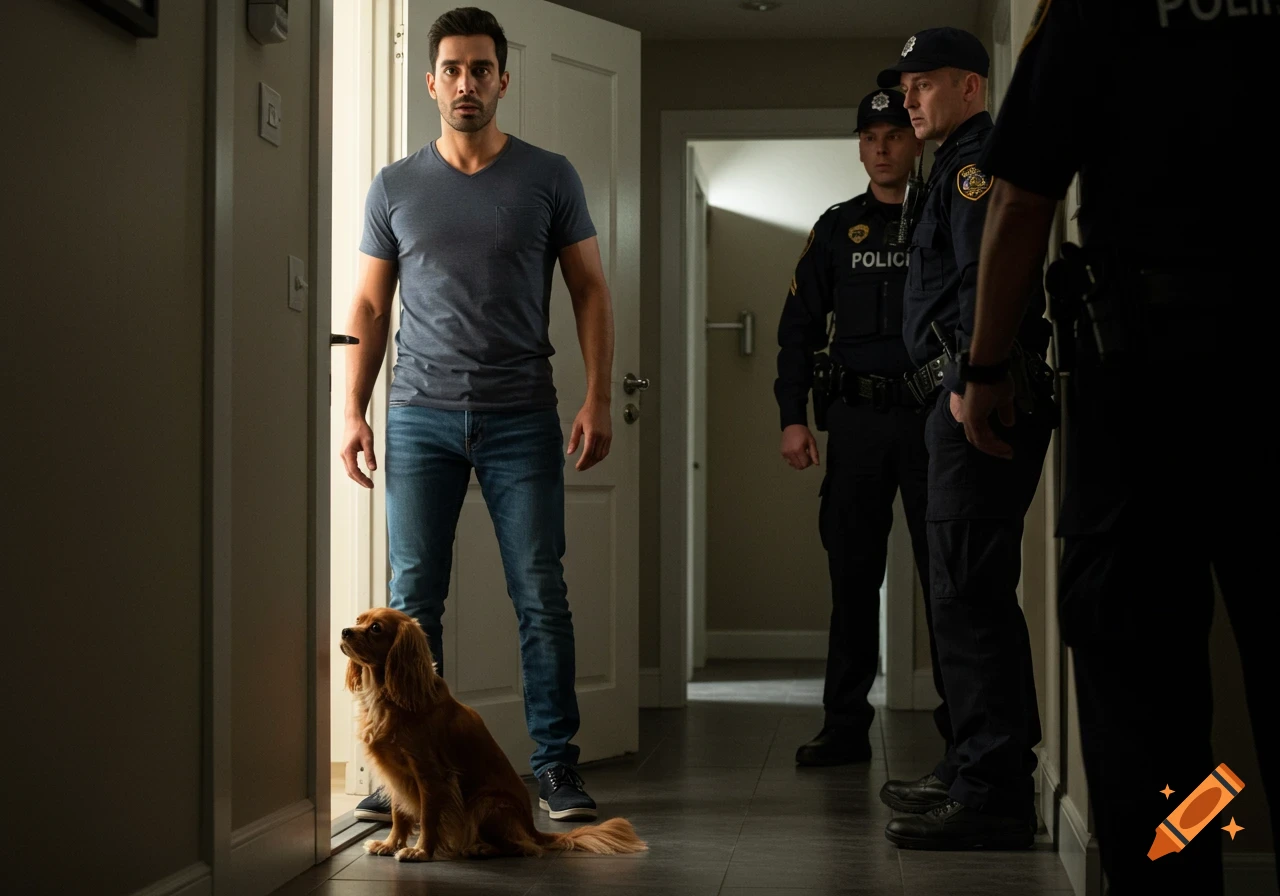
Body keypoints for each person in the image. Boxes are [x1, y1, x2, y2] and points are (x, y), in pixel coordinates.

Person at [959, 3, 1278, 892]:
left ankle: (1180, 865)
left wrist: (986, 369)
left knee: (1151, 710)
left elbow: (1023, 200)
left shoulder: (1101, 9)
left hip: (1149, 394)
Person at [339, 7, 615, 824]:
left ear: (503, 78)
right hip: (418, 415)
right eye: (452, 69)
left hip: (522, 416)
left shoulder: (549, 176)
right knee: (411, 602)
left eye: (481, 68)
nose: (467, 82)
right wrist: (349, 410)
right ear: (431, 83)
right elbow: (367, 302)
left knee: (540, 593)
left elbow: (590, 287)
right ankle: (401, 769)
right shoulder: (394, 185)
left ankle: (555, 767)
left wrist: (599, 395)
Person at [872, 27, 1056, 850]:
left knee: (969, 593)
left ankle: (994, 790)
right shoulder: (948, 167)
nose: (909, 98)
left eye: (925, 84)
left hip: (977, 396)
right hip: (960, 394)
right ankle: (975, 762)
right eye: (905, 86)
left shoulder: (978, 166)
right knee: (963, 590)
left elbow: (992, 276)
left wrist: (970, 384)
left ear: (972, 87)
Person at [774, 89, 951, 768]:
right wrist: (793, 418)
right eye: (871, 136)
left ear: (916, 142)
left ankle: (961, 734)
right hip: (855, 424)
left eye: (895, 135)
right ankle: (843, 726)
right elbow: (797, 331)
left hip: (933, 424)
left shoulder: (943, 218)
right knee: (852, 581)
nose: (883, 147)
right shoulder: (835, 228)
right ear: (859, 144)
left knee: (947, 583)